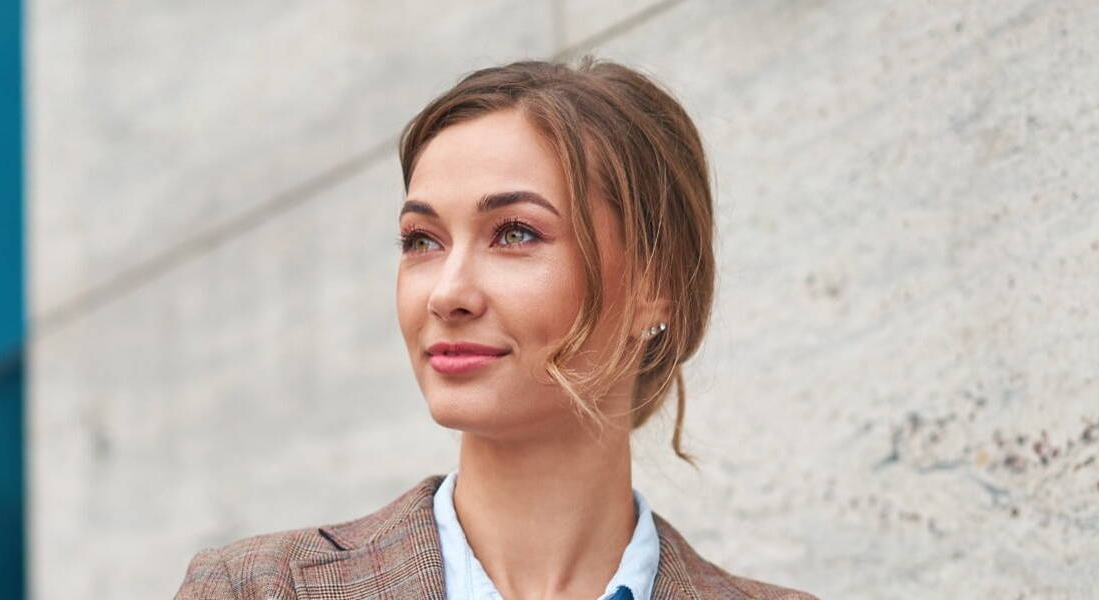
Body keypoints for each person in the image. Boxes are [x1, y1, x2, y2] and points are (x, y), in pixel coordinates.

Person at [174, 58, 817, 600]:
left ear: (658, 285)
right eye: (421, 240)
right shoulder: (261, 589)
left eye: (515, 233)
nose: (447, 293)